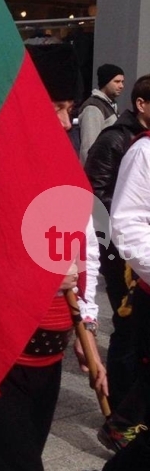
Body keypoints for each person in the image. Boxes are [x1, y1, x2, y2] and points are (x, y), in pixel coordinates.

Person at [0, 68, 107, 471]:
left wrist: (87, 330)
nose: (68, 117)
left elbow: (84, 256)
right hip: (4, 356)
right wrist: (32, 280)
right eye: (56, 108)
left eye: (67, 109)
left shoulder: (65, 174)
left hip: (50, 354)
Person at [85, 74, 150, 429]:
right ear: (142, 105)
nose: (120, 85)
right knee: (127, 330)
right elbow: (95, 195)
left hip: (132, 248)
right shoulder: (118, 139)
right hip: (118, 250)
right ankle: (122, 414)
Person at [78, 63, 125, 163]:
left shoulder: (110, 105)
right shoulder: (93, 108)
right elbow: (88, 148)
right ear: (106, 82)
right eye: (116, 81)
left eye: (122, 82)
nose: (121, 86)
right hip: (97, 173)